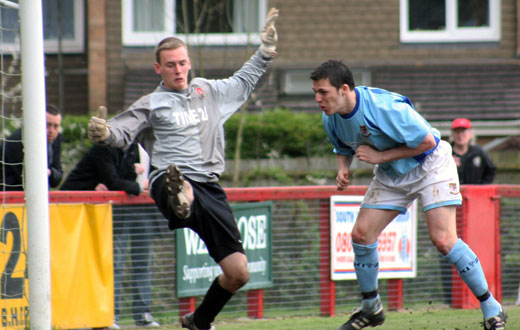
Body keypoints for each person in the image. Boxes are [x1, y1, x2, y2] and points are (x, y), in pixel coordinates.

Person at [86, 8, 279, 330]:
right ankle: (181, 197)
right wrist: (104, 134)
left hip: (210, 187)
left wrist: (265, 52)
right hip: (167, 178)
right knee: (180, 187)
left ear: (189, 62)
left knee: (239, 273)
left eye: (182, 63)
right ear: (158, 68)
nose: (178, 70)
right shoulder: (152, 102)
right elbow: (122, 131)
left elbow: (243, 81)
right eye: (171, 65)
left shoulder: (209, 92)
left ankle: (199, 320)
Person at [310, 60, 506, 330]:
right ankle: (371, 309)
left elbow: (428, 142)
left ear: (344, 89)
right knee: (360, 235)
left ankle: (492, 308)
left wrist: (379, 156)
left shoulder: (384, 107)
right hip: (393, 173)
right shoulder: (330, 116)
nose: (318, 99)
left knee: (444, 240)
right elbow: (342, 146)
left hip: (430, 165)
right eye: (315, 93)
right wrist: (343, 169)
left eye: (323, 92)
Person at [60, 142, 159, 328]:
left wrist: (139, 178)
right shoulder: (104, 149)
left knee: (142, 263)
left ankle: (141, 314)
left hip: (141, 211)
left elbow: (119, 179)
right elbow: (113, 180)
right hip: (94, 212)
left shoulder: (141, 147)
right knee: (112, 264)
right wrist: (137, 185)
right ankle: (109, 315)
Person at [0, 104, 63, 191]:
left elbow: (57, 177)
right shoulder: (16, 141)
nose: (52, 131)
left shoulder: (55, 140)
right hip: (9, 197)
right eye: (47, 125)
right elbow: (29, 180)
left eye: (55, 126)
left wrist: (50, 173)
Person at [451, 118, 496, 184]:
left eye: (463, 131)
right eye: (457, 131)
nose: (460, 135)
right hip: (453, 193)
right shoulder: (447, 153)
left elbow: (491, 171)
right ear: (452, 134)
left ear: (470, 134)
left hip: (475, 193)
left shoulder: (478, 152)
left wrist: (482, 188)